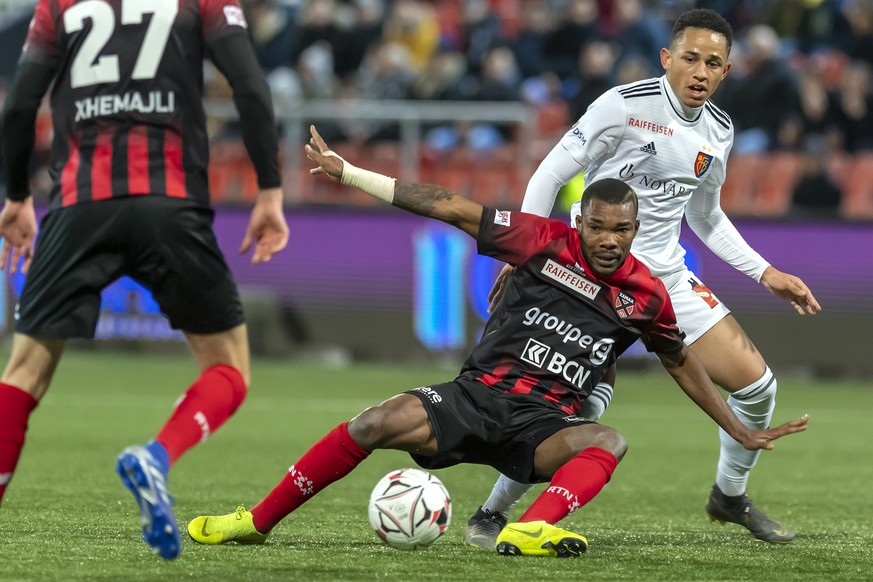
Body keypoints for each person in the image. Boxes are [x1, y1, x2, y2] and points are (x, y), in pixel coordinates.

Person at [185, 125, 808, 558]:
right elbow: (448, 204)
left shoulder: (647, 295)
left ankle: (527, 529)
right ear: (579, 222)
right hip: (472, 397)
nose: (609, 240)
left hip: (541, 426)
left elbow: (680, 364)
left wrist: (739, 427)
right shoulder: (542, 241)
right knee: (373, 423)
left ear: (637, 229)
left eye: (622, 231)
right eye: (597, 227)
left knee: (609, 440)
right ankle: (255, 521)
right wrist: (351, 174)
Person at [464, 8, 822, 548]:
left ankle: (728, 495)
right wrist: (520, 256)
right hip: (594, 275)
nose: (700, 72)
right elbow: (550, 173)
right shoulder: (622, 106)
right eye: (691, 59)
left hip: (665, 280)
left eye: (714, 63)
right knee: (571, 409)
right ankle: (492, 512)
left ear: (726, 71)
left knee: (758, 387)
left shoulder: (719, 133)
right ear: (667, 58)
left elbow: (705, 216)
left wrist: (764, 270)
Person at [0, 0, 289, 561]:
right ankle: (157, 456)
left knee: (24, 371)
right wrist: (270, 191)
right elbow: (251, 87)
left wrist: (15, 197)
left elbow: (18, 108)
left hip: (80, 205)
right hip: (170, 204)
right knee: (229, 366)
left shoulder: (58, 5)